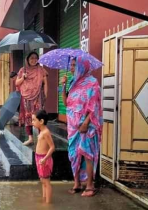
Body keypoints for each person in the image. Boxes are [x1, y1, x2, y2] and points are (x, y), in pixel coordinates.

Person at [61, 57, 102, 197]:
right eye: (71, 65)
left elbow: (94, 106)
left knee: (87, 153)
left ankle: (90, 185)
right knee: (74, 154)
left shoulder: (92, 83)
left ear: (82, 66)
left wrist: (85, 123)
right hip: (72, 126)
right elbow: (66, 103)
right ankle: (77, 183)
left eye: (74, 65)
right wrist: (64, 86)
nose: (71, 68)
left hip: (87, 125)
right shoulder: (72, 82)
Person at [15, 52, 48, 146]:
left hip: (38, 96)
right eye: (31, 58)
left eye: (36, 58)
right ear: (27, 60)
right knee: (28, 117)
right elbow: (17, 83)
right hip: (26, 97)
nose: (34, 60)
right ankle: (30, 138)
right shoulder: (22, 70)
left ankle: (40, 137)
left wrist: (46, 94)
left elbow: (45, 83)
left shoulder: (41, 70)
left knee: (39, 116)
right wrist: (23, 78)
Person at [32, 110, 55, 204]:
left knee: (46, 182)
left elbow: (52, 147)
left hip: (43, 159)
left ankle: (48, 204)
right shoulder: (41, 131)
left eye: (34, 120)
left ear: (41, 121)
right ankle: (44, 199)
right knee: (42, 180)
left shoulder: (45, 132)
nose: (32, 122)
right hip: (39, 158)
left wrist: (45, 158)